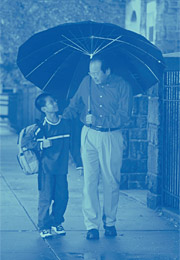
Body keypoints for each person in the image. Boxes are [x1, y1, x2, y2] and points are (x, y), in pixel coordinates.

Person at [63, 56, 133, 240]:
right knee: (89, 181)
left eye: (96, 73)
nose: (93, 76)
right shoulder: (86, 82)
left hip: (111, 135)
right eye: (90, 72)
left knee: (111, 181)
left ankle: (109, 222)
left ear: (107, 71)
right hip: (88, 134)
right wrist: (61, 118)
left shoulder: (122, 86)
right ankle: (91, 226)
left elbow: (125, 116)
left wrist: (100, 120)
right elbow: (75, 103)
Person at [22, 93, 70, 238]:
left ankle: (56, 222)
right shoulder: (40, 127)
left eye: (54, 100)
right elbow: (25, 143)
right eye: (50, 102)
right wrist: (41, 144)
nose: (55, 103)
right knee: (46, 197)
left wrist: (79, 164)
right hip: (46, 169)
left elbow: (73, 145)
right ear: (44, 109)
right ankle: (43, 225)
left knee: (62, 197)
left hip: (62, 169)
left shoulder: (65, 123)